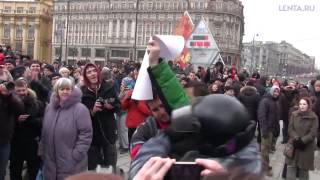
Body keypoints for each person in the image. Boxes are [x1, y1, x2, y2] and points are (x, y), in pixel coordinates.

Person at [129, 38, 261, 179]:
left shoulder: (193, 121)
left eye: (162, 106)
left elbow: (177, 98)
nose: (161, 112)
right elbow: (177, 97)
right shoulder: (148, 127)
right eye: (155, 109)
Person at [39, 78, 93, 180]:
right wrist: (42, 151)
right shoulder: (49, 108)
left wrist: (75, 155)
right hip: (50, 162)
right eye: (62, 89)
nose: (65, 91)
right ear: (57, 90)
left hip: (71, 164)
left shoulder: (80, 109)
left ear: (72, 91)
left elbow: (86, 135)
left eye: (68, 89)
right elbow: (44, 132)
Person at [81, 63, 120, 170]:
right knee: (95, 168)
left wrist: (111, 106)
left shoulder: (108, 87)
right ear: (86, 76)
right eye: (89, 72)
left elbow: (118, 105)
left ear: (98, 73)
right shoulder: (83, 92)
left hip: (109, 133)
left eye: (94, 71)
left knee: (111, 167)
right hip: (92, 135)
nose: (92, 74)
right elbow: (80, 115)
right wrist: (92, 111)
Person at [10, 78, 44, 180]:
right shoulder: (9, 103)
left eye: (23, 90)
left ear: (27, 89)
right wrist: (16, 121)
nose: (21, 93)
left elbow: (43, 120)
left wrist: (31, 120)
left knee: (34, 169)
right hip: (15, 142)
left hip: (32, 141)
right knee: (15, 169)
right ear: (14, 91)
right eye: (18, 91)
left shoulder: (37, 103)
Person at [286, 97, 318, 180]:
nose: (302, 106)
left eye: (304, 104)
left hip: (306, 147)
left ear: (308, 105)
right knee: (291, 167)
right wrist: (296, 138)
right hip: (294, 144)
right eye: (300, 104)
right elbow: (290, 128)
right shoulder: (294, 114)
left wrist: (303, 140)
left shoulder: (314, 117)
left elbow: (313, 132)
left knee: (303, 170)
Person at [0, 80, 24, 180]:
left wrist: (8, 94)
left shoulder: (7, 98)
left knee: (1, 171)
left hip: (3, 141)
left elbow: (20, 108)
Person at [258, 85, 281, 176]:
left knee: (267, 149)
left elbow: (277, 116)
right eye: (274, 91)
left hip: (273, 128)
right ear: (271, 91)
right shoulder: (265, 101)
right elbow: (261, 116)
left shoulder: (276, 101)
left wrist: (277, 127)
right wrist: (264, 130)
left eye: (277, 92)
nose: (276, 93)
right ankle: (265, 168)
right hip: (267, 129)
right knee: (265, 150)